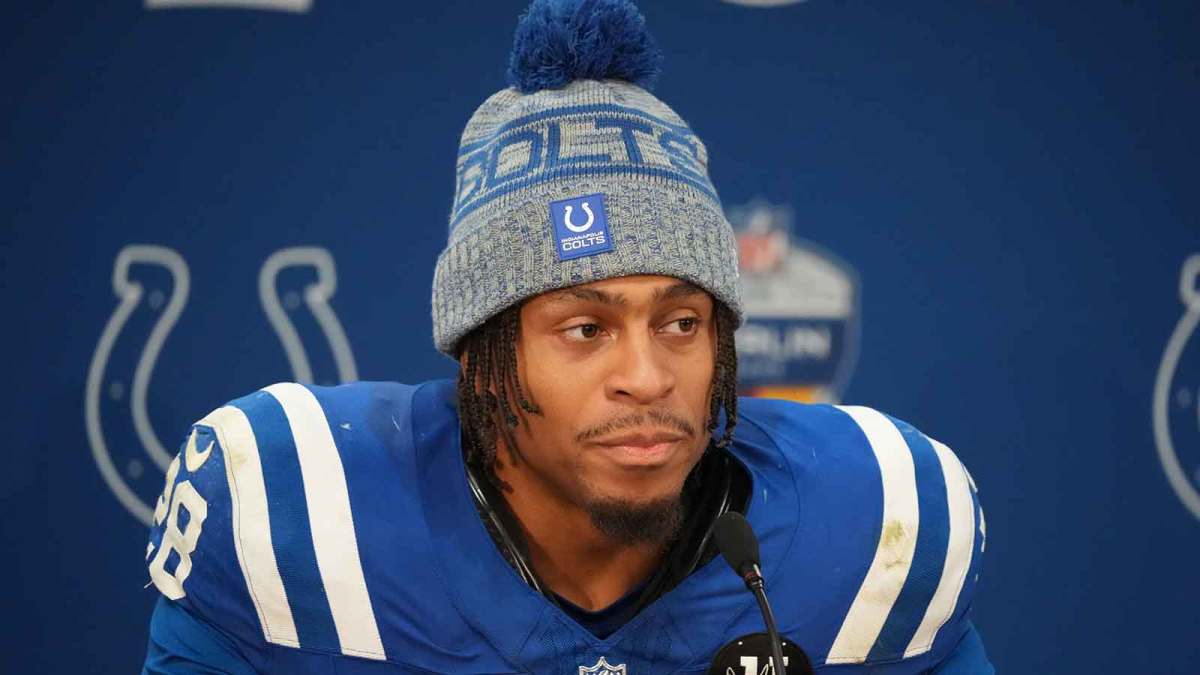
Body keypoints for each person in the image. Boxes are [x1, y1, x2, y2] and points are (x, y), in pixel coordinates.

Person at [142, 1, 993, 672]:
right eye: (586, 328)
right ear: (481, 359)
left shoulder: (875, 530)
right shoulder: (295, 514)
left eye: (682, 323)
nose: (647, 375)